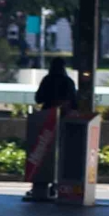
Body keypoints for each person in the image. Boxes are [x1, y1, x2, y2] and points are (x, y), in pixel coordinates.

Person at [23, 59, 76, 201]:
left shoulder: (47, 80)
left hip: (46, 119)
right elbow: (75, 102)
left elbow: (38, 98)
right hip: (64, 120)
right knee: (62, 152)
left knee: (44, 151)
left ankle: (40, 183)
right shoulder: (68, 82)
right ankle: (58, 183)